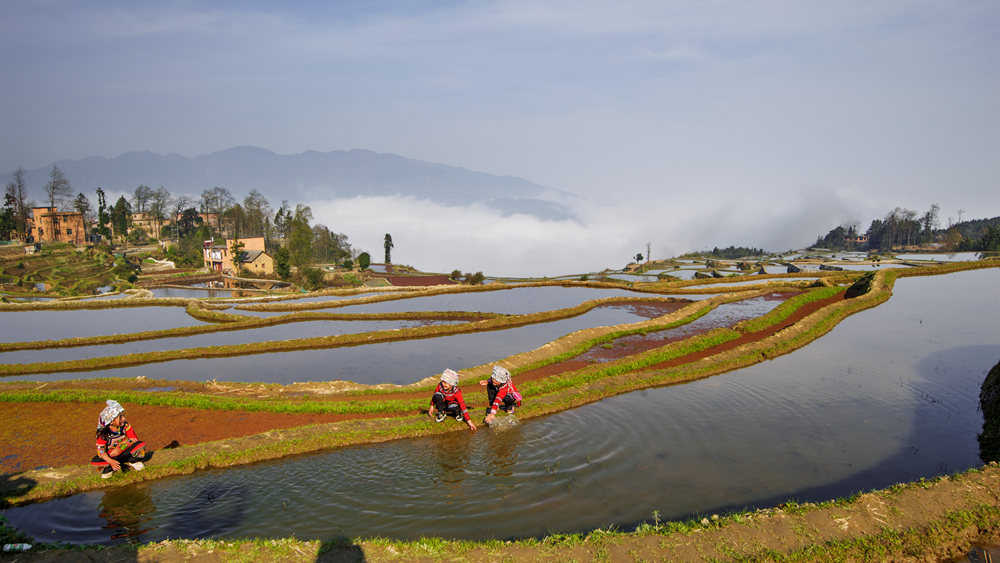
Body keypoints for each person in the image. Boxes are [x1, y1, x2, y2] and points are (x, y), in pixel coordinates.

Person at [90, 399, 147, 479]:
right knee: (95, 462)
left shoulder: (126, 426)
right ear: (111, 421)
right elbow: (101, 451)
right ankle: (110, 468)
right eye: (120, 417)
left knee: (141, 445)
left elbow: (133, 439)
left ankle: (133, 461)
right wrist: (110, 461)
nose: (123, 418)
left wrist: (119, 448)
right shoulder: (103, 434)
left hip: (125, 452)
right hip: (111, 456)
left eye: (123, 416)